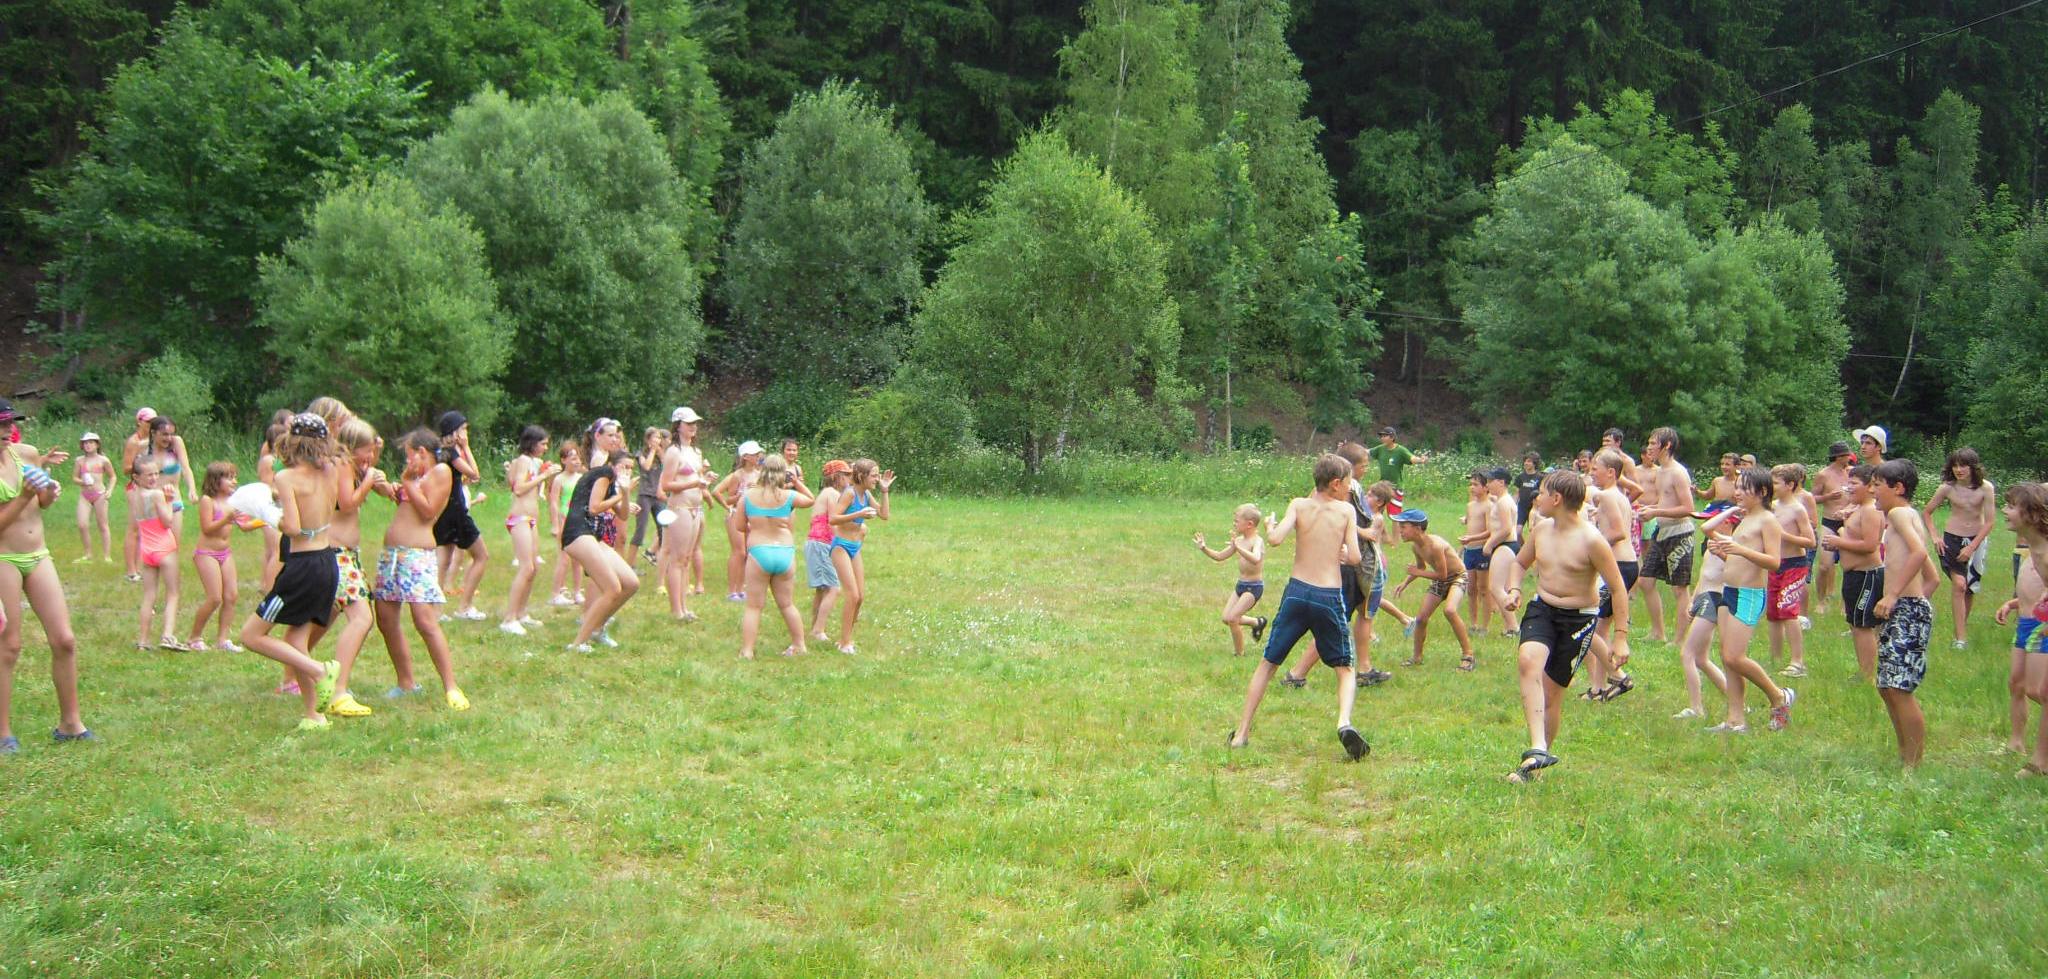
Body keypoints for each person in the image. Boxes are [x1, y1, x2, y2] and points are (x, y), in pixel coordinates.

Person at [1227, 453, 1368, 759]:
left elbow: (1275, 539)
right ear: (1335, 483)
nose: (1350, 488)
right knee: (1345, 668)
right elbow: (1356, 558)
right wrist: (1345, 553)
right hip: (1328, 596)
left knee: (1268, 664)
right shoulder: (1346, 511)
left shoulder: (1298, 504)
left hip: (1296, 593)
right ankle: (1344, 723)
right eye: (1348, 483)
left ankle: (1241, 734)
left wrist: (1270, 525)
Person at [1496, 470, 1632, 783]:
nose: (1537, 498)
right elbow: (1520, 563)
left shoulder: (1592, 540)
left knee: (1552, 694)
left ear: (1557, 499)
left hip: (1578, 618)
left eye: (1542, 493)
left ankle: (1535, 766)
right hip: (1542, 608)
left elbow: (1618, 589)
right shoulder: (1541, 529)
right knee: (1528, 661)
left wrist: (1621, 638)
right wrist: (1514, 589)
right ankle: (1537, 746)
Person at [238, 413, 341, 731]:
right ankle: (314, 715)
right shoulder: (332, 470)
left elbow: (293, 527)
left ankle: (319, 671)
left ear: (291, 442)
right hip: (327, 560)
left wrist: (266, 513)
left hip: (302, 566)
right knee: (296, 640)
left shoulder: (286, 478)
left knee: (251, 635)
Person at [0, 400, 92, 752]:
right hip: (4, 558)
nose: (7, 430)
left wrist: (47, 493)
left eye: (10, 423)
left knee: (65, 639)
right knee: (9, 646)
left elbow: (41, 503)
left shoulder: (25, 453)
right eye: (1, 425)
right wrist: (24, 495)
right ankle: (3, 733)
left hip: (38, 554)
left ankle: (70, 724)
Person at [368, 429, 468, 712]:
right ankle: (406, 682)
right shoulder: (418, 477)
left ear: (421, 452)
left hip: (415, 556)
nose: (407, 460)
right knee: (385, 618)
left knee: (424, 620)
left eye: (409, 454)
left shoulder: (441, 472)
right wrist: (389, 487)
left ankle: (451, 686)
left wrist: (407, 482)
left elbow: (427, 511)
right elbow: (408, 501)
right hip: (392, 556)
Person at [1703, 468, 1796, 734]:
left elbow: (1774, 562)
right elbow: (1710, 532)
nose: (1738, 492)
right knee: (1727, 659)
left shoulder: (1768, 521)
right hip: (1729, 591)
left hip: (1749, 595)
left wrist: (1739, 549)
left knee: (1735, 656)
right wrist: (1725, 553)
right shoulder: (1746, 519)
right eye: (1737, 487)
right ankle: (1735, 720)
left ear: (1762, 492)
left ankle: (1779, 696)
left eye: (1744, 488)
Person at [316, 417, 389, 717]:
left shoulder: (345, 464)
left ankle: (294, 673)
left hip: (342, 553)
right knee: (361, 618)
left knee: (324, 617)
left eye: (373, 451)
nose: (370, 457)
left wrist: (373, 470)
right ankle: (338, 691)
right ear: (350, 447)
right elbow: (347, 503)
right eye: (366, 450)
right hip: (338, 554)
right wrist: (369, 480)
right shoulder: (343, 464)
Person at [1871, 459, 1938, 768]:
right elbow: (1932, 577)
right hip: (1905, 611)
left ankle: (1912, 763)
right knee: (1887, 687)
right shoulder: (1904, 517)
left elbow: (1919, 552)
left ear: (1897, 488)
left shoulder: (1899, 513)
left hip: (1906, 609)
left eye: (1877, 485)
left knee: (1898, 689)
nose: (1873, 491)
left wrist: (1895, 596)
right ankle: (1904, 755)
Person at [561, 419, 640, 652]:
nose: (616, 439)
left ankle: (597, 629)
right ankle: (578, 643)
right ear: (598, 437)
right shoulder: (603, 471)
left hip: (593, 535)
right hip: (578, 531)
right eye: (610, 435)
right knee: (612, 588)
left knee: (631, 583)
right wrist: (620, 494)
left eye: (617, 435)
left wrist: (625, 493)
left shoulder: (609, 474)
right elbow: (595, 508)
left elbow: (622, 515)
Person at [736, 455, 816, 659]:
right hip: (784, 551)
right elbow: (810, 499)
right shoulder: (789, 496)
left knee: (754, 606)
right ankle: (799, 645)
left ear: (762, 471)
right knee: (787, 604)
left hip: (759, 552)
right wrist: (796, 482)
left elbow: (739, 526)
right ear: (783, 472)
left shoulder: (748, 496)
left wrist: (757, 524)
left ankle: (747, 650)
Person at [1921, 448, 1995, 649]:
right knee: (1959, 585)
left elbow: (1990, 522)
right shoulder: (1947, 488)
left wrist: (1972, 547)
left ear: (1973, 467)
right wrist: (1935, 537)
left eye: (1963, 465)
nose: (1958, 470)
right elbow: (1927, 512)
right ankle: (1960, 639)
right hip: (1952, 539)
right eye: (1955, 465)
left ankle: (1960, 629)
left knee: (1969, 588)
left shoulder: (1985, 488)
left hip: (1977, 540)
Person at [1583, 450, 1641, 702]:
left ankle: (1620, 676)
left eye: (1596, 468)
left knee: (1587, 627)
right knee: (1600, 629)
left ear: (1610, 472)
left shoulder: (1607, 495)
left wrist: (1593, 549)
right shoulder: (1618, 496)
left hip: (1618, 565)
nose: (1592, 472)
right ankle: (1598, 688)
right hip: (1626, 564)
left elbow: (1618, 532)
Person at [1672, 505, 1737, 721]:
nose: (1707, 525)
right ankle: (1736, 701)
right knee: (1701, 659)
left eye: (1712, 520)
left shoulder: (1732, 546)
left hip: (1715, 599)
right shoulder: (1712, 545)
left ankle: (1696, 708)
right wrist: (1693, 599)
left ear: (1726, 523)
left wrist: (1724, 555)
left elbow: (1738, 571)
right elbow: (1704, 574)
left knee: (1687, 654)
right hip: (1704, 597)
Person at [1822, 465, 1886, 681]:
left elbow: (1870, 545)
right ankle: (1864, 671)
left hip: (1867, 575)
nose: (1848, 487)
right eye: (1848, 482)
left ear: (1870, 487)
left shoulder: (1870, 510)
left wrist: (1839, 541)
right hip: (1853, 575)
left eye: (1854, 483)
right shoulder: (1857, 508)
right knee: (1855, 624)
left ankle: (1869, 675)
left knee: (1863, 626)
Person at [1393, 506, 1476, 671]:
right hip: (1440, 579)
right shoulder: (1416, 546)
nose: (1400, 531)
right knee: (1421, 618)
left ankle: (1468, 655)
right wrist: (1405, 583)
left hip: (1457, 577)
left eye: (1403, 527)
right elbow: (1420, 567)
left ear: (1418, 529)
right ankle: (1417, 657)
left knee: (1450, 610)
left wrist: (1418, 573)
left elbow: (1442, 575)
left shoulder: (1436, 545)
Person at [2001, 484, 2048, 776]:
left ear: (2031, 514)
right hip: (2036, 622)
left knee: (2042, 691)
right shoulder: (2036, 548)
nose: (2004, 510)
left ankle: (2040, 762)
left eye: (2011, 506)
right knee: (2033, 688)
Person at [1633, 427, 1696, 643]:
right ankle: (1658, 633)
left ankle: (1679, 640)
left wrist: (1655, 512)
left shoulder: (1678, 472)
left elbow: (1688, 508)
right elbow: (1665, 502)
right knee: (1645, 581)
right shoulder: (1660, 472)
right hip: (1661, 532)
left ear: (1667, 445)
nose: (1649, 447)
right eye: (1649, 443)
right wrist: (1647, 508)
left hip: (1680, 534)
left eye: (1653, 443)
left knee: (1679, 589)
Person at [827, 459, 894, 655]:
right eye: (874, 475)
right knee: (853, 595)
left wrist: (884, 491)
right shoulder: (849, 494)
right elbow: (833, 518)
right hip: (841, 546)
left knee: (860, 597)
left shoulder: (867, 494)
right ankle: (844, 642)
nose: (877, 479)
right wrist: (858, 514)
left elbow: (884, 515)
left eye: (877, 475)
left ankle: (847, 637)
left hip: (855, 547)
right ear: (860, 476)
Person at [500, 426, 558, 636]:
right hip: (520, 518)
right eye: (543, 443)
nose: (546, 447)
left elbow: (512, 481)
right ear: (532, 443)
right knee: (526, 567)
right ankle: (509, 619)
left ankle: (521, 613)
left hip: (530, 519)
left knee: (533, 568)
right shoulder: (524, 460)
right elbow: (518, 488)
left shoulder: (528, 462)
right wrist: (544, 476)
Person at [432, 411, 490, 621]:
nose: (466, 433)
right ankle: (464, 607)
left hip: (443, 510)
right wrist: (466, 448)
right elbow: (474, 473)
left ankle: (436, 612)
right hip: (456, 511)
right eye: (463, 429)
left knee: (443, 561)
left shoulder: (439, 451)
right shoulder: (451, 453)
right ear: (454, 431)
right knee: (481, 556)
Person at [185, 462, 247, 651]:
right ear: (215, 480)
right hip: (207, 554)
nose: (234, 481)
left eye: (234, 477)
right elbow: (207, 528)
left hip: (225, 553)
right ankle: (194, 638)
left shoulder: (232, 502)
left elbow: (244, 526)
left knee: (231, 595)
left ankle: (223, 640)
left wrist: (265, 521)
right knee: (214, 598)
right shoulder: (208, 501)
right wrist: (226, 519)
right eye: (229, 478)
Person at [660, 408, 713, 623]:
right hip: (679, 508)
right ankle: (676, 610)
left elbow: (697, 478)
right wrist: (693, 483)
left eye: (695, 423)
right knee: (677, 559)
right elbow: (666, 485)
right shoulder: (673, 452)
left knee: (687, 558)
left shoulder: (696, 451)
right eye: (688, 423)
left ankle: (684, 606)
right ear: (678, 426)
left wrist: (705, 479)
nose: (693, 427)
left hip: (695, 508)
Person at [1196, 504, 1268, 656]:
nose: (1234, 524)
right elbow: (1219, 556)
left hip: (1254, 587)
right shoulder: (1239, 541)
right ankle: (1257, 622)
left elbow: (1255, 558)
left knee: (1233, 618)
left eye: (1237, 521)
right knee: (1226, 618)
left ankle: (1239, 654)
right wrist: (1204, 548)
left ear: (1249, 524)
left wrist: (1238, 547)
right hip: (1241, 585)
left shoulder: (1257, 541)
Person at [1766, 464, 1818, 678]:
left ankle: (1798, 662)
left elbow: (1810, 541)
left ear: (1790, 485)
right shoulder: (1771, 506)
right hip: (1774, 563)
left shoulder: (1797, 509)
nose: (1772, 486)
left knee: (1788, 611)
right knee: (1773, 614)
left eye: (1776, 483)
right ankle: (1775, 659)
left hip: (1795, 564)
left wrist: (1784, 536)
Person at [131, 460, 184, 651]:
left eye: (156, 474)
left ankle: (143, 641)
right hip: (164, 547)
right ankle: (167, 636)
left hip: (147, 550)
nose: (154, 478)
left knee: (148, 596)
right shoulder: (156, 494)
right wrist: (169, 500)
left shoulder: (134, 495)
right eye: (149, 475)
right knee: (173, 593)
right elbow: (167, 521)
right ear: (136, 477)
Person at [1998, 547, 2046, 757]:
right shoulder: (2034, 551)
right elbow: (2032, 592)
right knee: (2016, 683)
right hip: (2025, 623)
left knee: (2037, 690)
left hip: (2041, 624)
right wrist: (2011, 604)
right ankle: (2016, 742)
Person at [711, 443, 766, 602]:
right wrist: (736, 499)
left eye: (758, 454)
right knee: (739, 552)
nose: (758, 457)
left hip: (752, 515)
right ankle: (732, 590)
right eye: (754, 454)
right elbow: (721, 494)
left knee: (748, 553)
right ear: (745, 457)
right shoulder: (737, 475)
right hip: (736, 514)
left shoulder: (759, 475)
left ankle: (741, 589)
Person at [805, 459, 851, 643]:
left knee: (822, 589)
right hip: (823, 543)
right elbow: (834, 520)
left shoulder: (826, 493)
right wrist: (841, 545)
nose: (849, 478)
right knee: (833, 588)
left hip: (815, 543)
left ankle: (815, 627)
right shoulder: (832, 494)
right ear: (836, 477)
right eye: (846, 475)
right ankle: (818, 630)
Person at [1811, 442, 1856, 617]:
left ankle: (1845, 604)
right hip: (1829, 522)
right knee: (1824, 565)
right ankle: (1821, 601)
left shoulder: (1852, 472)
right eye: (1846, 455)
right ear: (1838, 457)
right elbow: (1812, 498)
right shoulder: (1823, 475)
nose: (1849, 458)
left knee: (1849, 566)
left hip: (1849, 522)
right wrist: (1828, 496)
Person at [1482, 467, 1524, 636]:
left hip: (1505, 546)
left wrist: (1489, 543)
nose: (1487, 485)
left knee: (1496, 587)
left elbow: (1506, 528)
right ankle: (1509, 626)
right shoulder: (1502, 500)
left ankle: (1513, 627)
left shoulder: (1503, 502)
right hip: (1505, 546)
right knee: (1501, 588)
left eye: (1490, 481)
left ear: (1501, 482)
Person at [547, 441, 587, 608]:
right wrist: (555, 524)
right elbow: (554, 502)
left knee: (579, 559)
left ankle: (577, 591)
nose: (576, 462)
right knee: (564, 559)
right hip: (565, 520)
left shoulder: (581, 478)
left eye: (578, 458)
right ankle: (556, 593)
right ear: (563, 460)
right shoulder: (559, 479)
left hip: (579, 520)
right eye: (572, 458)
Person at [1457, 472, 1497, 633]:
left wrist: (1471, 538)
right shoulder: (1470, 506)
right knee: (1471, 588)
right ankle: (1473, 623)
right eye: (1471, 484)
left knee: (1483, 588)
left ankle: (1484, 626)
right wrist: (1464, 546)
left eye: (1476, 484)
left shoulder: (1489, 506)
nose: (1472, 487)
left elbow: (1490, 531)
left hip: (1482, 550)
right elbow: (1469, 526)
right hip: (1470, 551)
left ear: (1486, 487)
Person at [119, 407, 156, 581]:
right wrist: (142, 464)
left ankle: (141, 567)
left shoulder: (154, 440)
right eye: (148, 421)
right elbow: (126, 468)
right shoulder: (134, 442)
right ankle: (131, 570)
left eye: (154, 421)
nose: (151, 424)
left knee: (145, 528)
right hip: (136, 487)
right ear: (139, 421)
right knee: (134, 528)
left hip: (151, 487)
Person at [70, 432, 114, 563]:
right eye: (85, 443)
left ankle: (107, 556)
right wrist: (82, 482)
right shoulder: (79, 460)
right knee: (82, 524)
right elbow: (74, 478)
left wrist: (109, 490)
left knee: (103, 525)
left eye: (91, 443)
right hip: (85, 495)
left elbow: (113, 476)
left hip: (100, 494)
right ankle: (88, 554)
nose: (88, 445)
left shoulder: (103, 460)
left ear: (97, 444)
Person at [631, 427, 668, 564]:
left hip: (658, 496)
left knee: (664, 528)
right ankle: (631, 564)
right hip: (645, 495)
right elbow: (646, 466)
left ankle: (661, 560)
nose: (658, 440)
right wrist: (652, 451)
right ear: (648, 439)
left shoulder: (660, 454)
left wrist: (660, 452)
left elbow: (668, 466)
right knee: (640, 530)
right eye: (655, 437)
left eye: (659, 438)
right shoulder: (641, 453)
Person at [1514, 453, 1545, 529]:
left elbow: (1543, 493)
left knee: (1533, 529)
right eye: (1525, 461)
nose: (1526, 463)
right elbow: (1517, 493)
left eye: (1529, 461)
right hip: (1522, 507)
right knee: (1518, 530)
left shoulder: (1540, 477)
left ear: (1534, 463)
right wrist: (1513, 505)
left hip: (1535, 507)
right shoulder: (1520, 477)